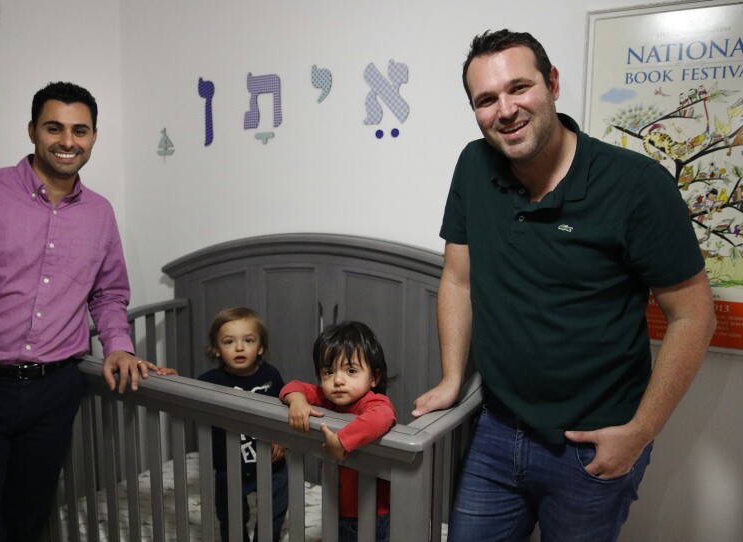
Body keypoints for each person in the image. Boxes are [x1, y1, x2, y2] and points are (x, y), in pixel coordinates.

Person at [411, 29, 715, 541]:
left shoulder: (636, 185)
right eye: (486, 100)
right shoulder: (472, 166)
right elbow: (458, 280)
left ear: (552, 83)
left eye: (519, 88)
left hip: (594, 447)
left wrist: (640, 434)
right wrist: (450, 378)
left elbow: (694, 316)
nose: (504, 110)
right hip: (497, 430)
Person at [0, 81, 175, 542]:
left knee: (29, 522)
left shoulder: (100, 213)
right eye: (54, 128)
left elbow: (109, 294)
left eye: (80, 130)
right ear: (32, 130)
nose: (67, 141)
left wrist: (118, 344)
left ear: (93, 137)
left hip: (54, 393)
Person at [281, 321, 396, 542]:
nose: (338, 380)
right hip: (336, 506)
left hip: (371, 512)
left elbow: (382, 417)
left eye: (351, 371)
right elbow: (293, 386)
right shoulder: (326, 398)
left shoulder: (373, 402)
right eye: (329, 371)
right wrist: (297, 401)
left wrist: (342, 441)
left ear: (375, 378)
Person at [198, 307, 288, 542]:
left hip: (271, 464)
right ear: (216, 349)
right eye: (229, 342)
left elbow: (285, 409)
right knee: (232, 519)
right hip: (230, 467)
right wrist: (170, 378)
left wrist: (281, 438)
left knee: (274, 513)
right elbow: (184, 395)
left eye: (248, 340)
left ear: (261, 348)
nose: (239, 347)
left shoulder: (271, 376)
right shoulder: (209, 382)